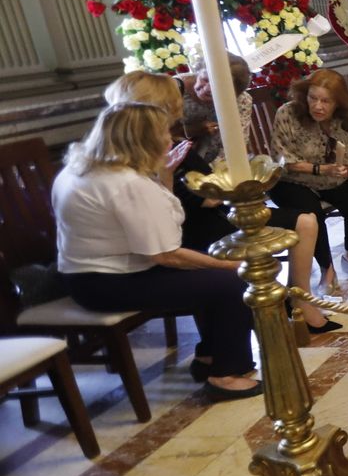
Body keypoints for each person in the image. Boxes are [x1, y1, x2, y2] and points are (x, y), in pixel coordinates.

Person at [52, 102, 261, 401]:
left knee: (209, 271)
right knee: (232, 282)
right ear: (141, 140)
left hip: (83, 277)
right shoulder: (126, 183)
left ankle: (209, 358)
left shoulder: (83, 168)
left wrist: (164, 176)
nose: (169, 138)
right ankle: (226, 374)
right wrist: (230, 266)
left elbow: (159, 233)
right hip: (107, 283)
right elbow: (166, 254)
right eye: (163, 132)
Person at [106, 70, 339, 336]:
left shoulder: (164, 141)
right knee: (297, 224)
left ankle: (298, 302)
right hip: (196, 227)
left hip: (210, 215)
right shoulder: (148, 149)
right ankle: (277, 322)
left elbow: (195, 190)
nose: (179, 110)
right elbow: (197, 201)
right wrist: (215, 192)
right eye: (173, 105)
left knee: (306, 219)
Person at [269, 69, 348, 293]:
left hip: (331, 179)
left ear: (338, 103)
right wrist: (321, 169)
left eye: (326, 101)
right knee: (312, 215)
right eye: (312, 98)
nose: (318, 106)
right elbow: (284, 161)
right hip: (291, 181)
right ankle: (327, 268)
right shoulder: (287, 114)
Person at [180, 52, 252, 166]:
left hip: (218, 165)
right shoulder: (175, 88)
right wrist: (192, 130)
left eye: (217, 86)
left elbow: (238, 141)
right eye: (205, 79)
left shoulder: (241, 100)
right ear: (198, 72)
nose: (207, 89)